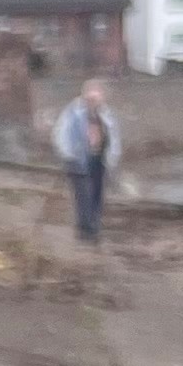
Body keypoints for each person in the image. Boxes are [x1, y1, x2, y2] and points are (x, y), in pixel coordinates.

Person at [53, 78, 123, 245]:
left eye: (96, 98)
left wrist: (112, 158)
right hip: (77, 159)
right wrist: (68, 154)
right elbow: (60, 133)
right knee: (83, 195)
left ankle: (92, 226)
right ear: (84, 96)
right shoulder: (73, 112)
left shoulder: (105, 114)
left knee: (97, 194)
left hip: (99, 159)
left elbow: (113, 137)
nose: (93, 101)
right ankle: (87, 230)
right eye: (90, 98)